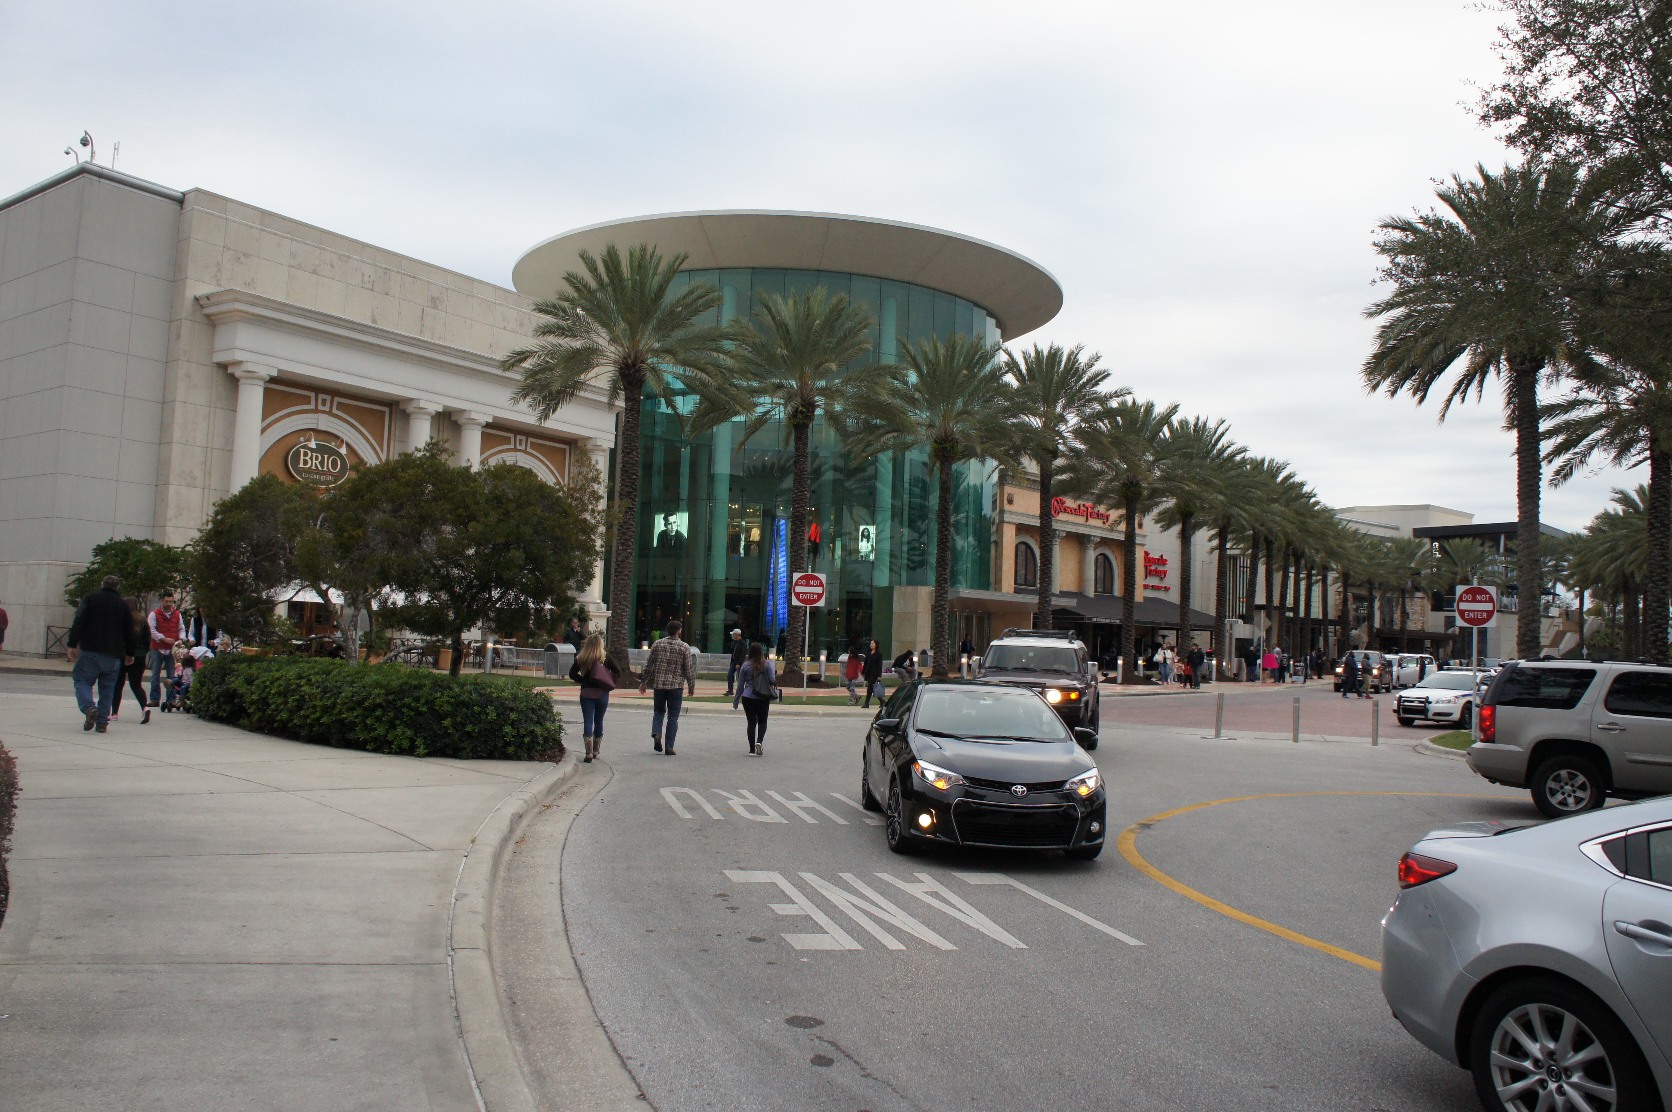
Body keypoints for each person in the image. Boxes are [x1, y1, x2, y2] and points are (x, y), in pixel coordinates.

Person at [66, 574, 140, 732]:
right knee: (107, 688)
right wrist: (130, 652)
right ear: (117, 587)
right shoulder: (122, 605)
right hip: (113, 653)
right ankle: (102, 722)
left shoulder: (90, 599)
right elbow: (129, 631)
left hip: (90, 650)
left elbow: (79, 620)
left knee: (82, 681)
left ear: (102, 584)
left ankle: (88, 708)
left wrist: (72, 644)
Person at [639, 619, 697, 755]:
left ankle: (657, 733)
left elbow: (649, 665)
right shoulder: (684, 647)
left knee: (658, 712)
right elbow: (689, 669)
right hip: (676, 686)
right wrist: (691, 685)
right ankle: (669, 746)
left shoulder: (658, 644)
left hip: (659, 684)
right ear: (678, 631)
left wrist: (644, 682)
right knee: (673, 716)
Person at [569, 633, 619, 763]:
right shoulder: (605, 657)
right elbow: (618, 671)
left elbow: (571, 673)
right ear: (600, 644)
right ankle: (596, 749)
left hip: (586, 692)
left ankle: (588, 752)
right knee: (599, 720)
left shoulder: (582, 657)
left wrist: (583, 680)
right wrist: (607, 680)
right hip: (602, 692)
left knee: (588, 720)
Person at [108, 596, 153, 725]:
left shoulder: (121, 620)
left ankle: (114, 713)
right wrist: (142, 652)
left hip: (122, 655)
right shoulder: (142, 620)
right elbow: (147, 640)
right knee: (136, 685)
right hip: (138, 656)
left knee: (118, 684)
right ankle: (145, 707)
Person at [732, 642, 777, 756]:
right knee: (763, 721)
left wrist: (736, 701)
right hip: (762, 696)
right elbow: (772, 680)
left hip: (748, 697)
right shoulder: (767, 664)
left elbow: (740, 684)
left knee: (751, 722)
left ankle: (752, 749)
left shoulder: (745, 665)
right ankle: (759, 741)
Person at [147, 591, 183, 709]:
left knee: (172, 675)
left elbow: (181, 628)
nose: (168, 603)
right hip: (157, 648)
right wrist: (163, 638)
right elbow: (151, 630)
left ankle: (171, 700)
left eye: (170, 601)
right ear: (162, 601)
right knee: (155, 675)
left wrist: (181, 639)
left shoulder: (177, 614)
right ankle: (154, 699)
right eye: (166, 601)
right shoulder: (154, 614)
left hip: (172, 650)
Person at [862, 638, 885, 709]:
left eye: (873, 643)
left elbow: (879, 665)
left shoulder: (878, 654)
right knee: (872, 688)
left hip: (874, 673)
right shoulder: (868, 653)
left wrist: (879, 675)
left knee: (870, 688)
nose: (871, 645)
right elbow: (866, 663)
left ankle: (866, 703)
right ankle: (882, 701)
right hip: (868, 672)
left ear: (876, 645)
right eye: (871, 643)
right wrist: (863, 671)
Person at [725, 628, 747, 696]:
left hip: (739, 662)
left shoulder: (742, 643)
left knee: (740, 678)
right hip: (734, 661)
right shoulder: (735, 642)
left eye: (734, 634)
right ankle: (730, 690)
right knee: (729, 675)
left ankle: (741, 691)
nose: (733, 636)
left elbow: (742, 654)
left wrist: (739, 663)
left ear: (737, 634)